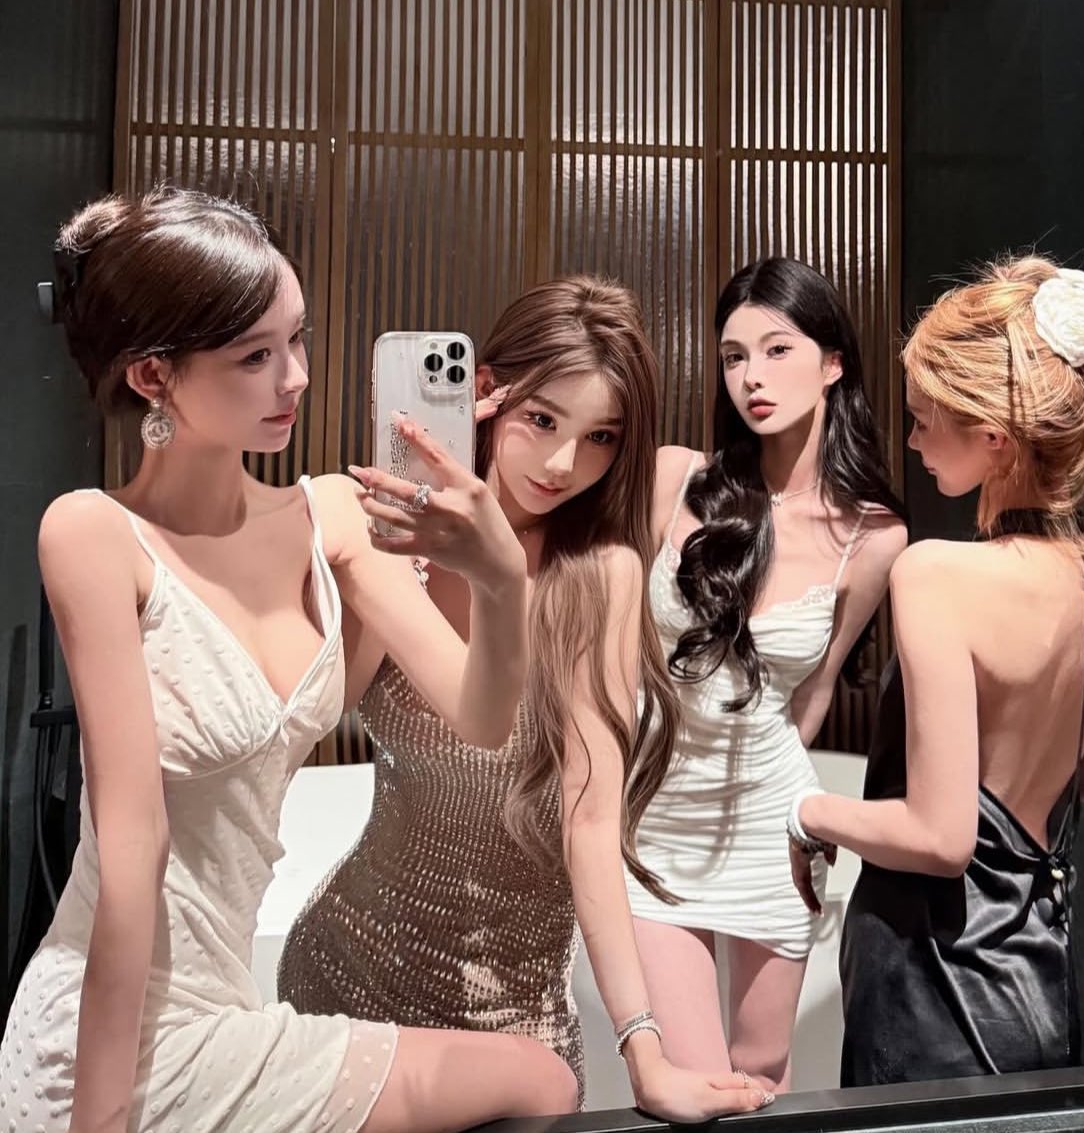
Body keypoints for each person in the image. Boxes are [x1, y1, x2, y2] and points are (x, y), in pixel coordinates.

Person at [0, 187, 580, 1133]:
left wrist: (500, 578)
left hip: (230, 1006)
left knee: (544, 1078)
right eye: (255, 356)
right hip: (111, 1030)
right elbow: (133, 847)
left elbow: (482, 719)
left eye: (298, 339)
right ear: (152, 376)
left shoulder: (333, 518)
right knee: (538, 1081)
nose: (296, 377)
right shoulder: (93, 533)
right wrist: (97, 1124)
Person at [280, 277, 771, 1121]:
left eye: (600, 437)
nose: (562, 464)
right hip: (348, 973)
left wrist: (645, 1051)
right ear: (484, 392)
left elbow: (589, 818)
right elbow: (324, 712)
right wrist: (401, 543)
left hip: (515, 1015)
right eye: (541, 420)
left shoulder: (599, 576)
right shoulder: (385, 540)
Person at [793, 257, 1084, 1084]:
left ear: (993, 436)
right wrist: (1046, 759)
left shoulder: (935, 573)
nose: (911, 441)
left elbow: (940, 839)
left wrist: (808, 811)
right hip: (1048, 988)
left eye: (922, 420)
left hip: (931, 995)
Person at [628, 257, 907, 1091]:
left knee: (763, 1074)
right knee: (695, 1078)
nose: (751, 376)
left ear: (833, 363)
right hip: (655, 820)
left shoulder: (875, 536)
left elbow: (814, 692)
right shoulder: (675, 478)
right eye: (734, 356)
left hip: (769, 823)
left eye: (777, 350)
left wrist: (799, 820)